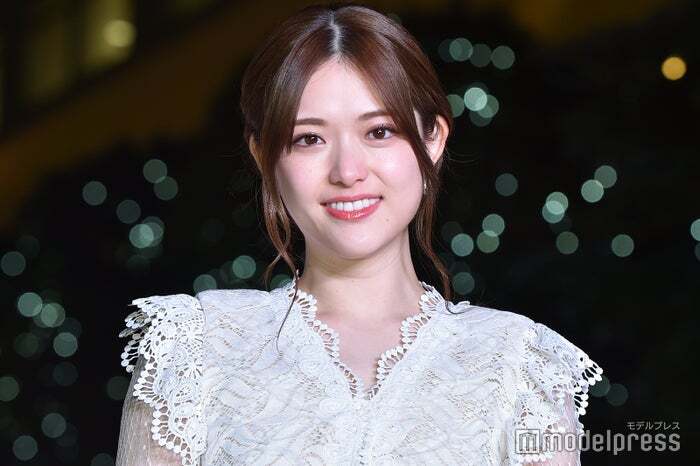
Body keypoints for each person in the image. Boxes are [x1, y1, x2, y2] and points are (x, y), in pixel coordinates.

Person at [116, 3, 603, 465]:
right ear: (263, 156)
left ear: (433, 138)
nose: (348, 171)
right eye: (309, 138)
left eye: (379, 132)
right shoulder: (195, 349)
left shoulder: (521, 365)